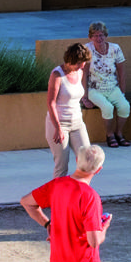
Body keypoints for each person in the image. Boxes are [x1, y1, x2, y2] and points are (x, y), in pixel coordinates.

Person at [20, 142, 108, 262]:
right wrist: (104, 227)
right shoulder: (90, 196)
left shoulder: (57, 185)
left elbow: (26, 202)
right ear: (99, 170)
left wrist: (47, 223)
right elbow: (94, 241)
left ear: (77, 160)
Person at [81, 23, 131, 148]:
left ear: (106, 36)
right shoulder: (87, 49)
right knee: (107, 108)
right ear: (90, 37)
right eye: (96, 36)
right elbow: (84, 74)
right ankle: (109, 135)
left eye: (101, 35)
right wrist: (85, 97)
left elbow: (121, 72)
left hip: (112, 87)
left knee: (124, 106)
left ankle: (119, 133)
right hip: (95, 89)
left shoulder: (115, 49)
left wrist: (122, 92)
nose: (99, 38)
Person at [45, 42, 90, 176]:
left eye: (84, 63)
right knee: (62, 165)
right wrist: (58, 128)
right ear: (71, 60)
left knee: (88, 160)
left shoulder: (80, 72)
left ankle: (79, 192)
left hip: (77, 123)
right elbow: (51, 103)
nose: (82, 66)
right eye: (79, 63)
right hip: (60, 124)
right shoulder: (57, 75)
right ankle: (58, 196)